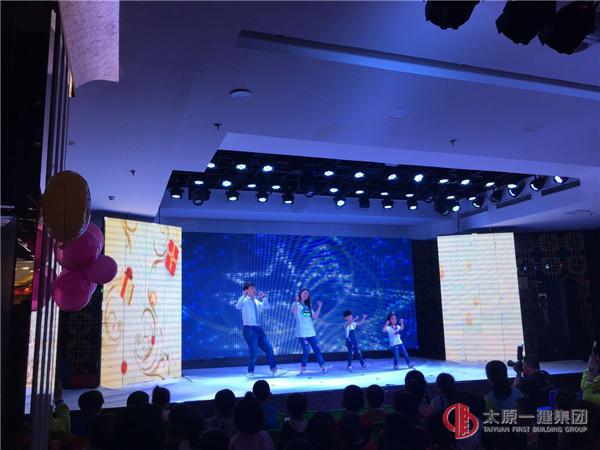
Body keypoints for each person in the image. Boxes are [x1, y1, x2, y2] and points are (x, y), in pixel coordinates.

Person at [236, 281, 281, 378]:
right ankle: (250, 372)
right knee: (254, 352)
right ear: (246, 290)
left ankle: (273, 369)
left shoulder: (256, 301)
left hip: (258, 328)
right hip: (249, 329)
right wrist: (243, 295)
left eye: (254, 288)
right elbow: (238, 306)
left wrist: (264, 297)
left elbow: (267, 306)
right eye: (252, 288)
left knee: (269, 348)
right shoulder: (244, 301)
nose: (254, 290)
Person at [292, 288, 328, 375]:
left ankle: (323, 366)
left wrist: (319, 306)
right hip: (302, 332)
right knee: (306, 350)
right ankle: (303, 367)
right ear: (300, 294)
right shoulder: (296, 304)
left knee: (317, 349)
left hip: (311, 332)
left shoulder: (308, 306)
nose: (305, 295)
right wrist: (296, 301)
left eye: (307, 294)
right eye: (304, 293)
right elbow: (294, 311)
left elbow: (314, 317)